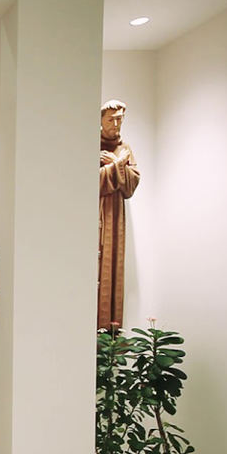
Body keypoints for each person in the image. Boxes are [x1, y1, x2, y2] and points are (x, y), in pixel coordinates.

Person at [98, 99, 140, 330]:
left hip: (116, 218)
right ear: (101, 120)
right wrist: (117, 167)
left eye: (119, 120)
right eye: (111, 120)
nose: (116, 125)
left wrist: (115, 163)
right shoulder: (92, 144)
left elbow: (131, 185)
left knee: (113, 271)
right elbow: (90, 181)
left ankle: (110, 337)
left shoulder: (125, 150)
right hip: (96, 214)